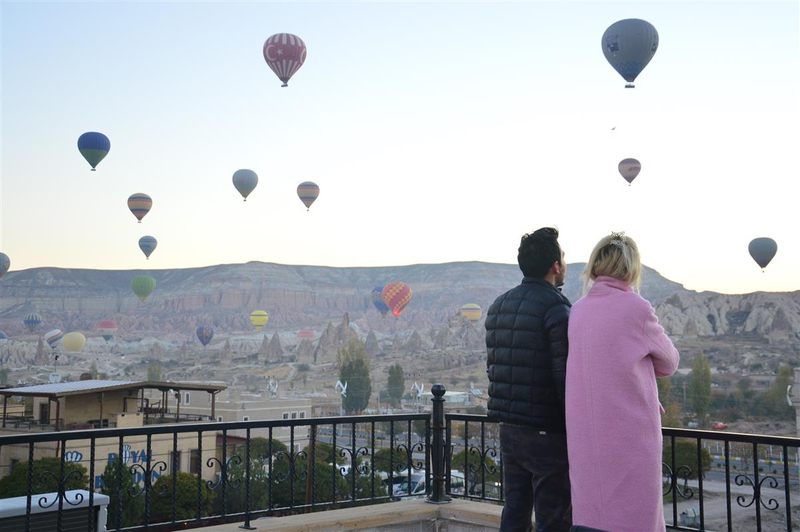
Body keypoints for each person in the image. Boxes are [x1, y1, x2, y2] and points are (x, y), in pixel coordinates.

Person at [565, 232, 679, 532]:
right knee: (635, 515)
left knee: (593, 512)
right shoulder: (637, 308)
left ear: (594, 267)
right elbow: (670, 362)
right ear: (631, 269)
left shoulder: (577, 311)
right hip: (630, 435)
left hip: (585, 435)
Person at [485, 227, 572, 532]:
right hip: (546, 432)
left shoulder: (499, 307)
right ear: (555, 266)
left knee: (515, 512)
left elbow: (494, 369)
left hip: (510, 430)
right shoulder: (556, 309)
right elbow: (565, 380)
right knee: (554, 518)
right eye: (562, 257)